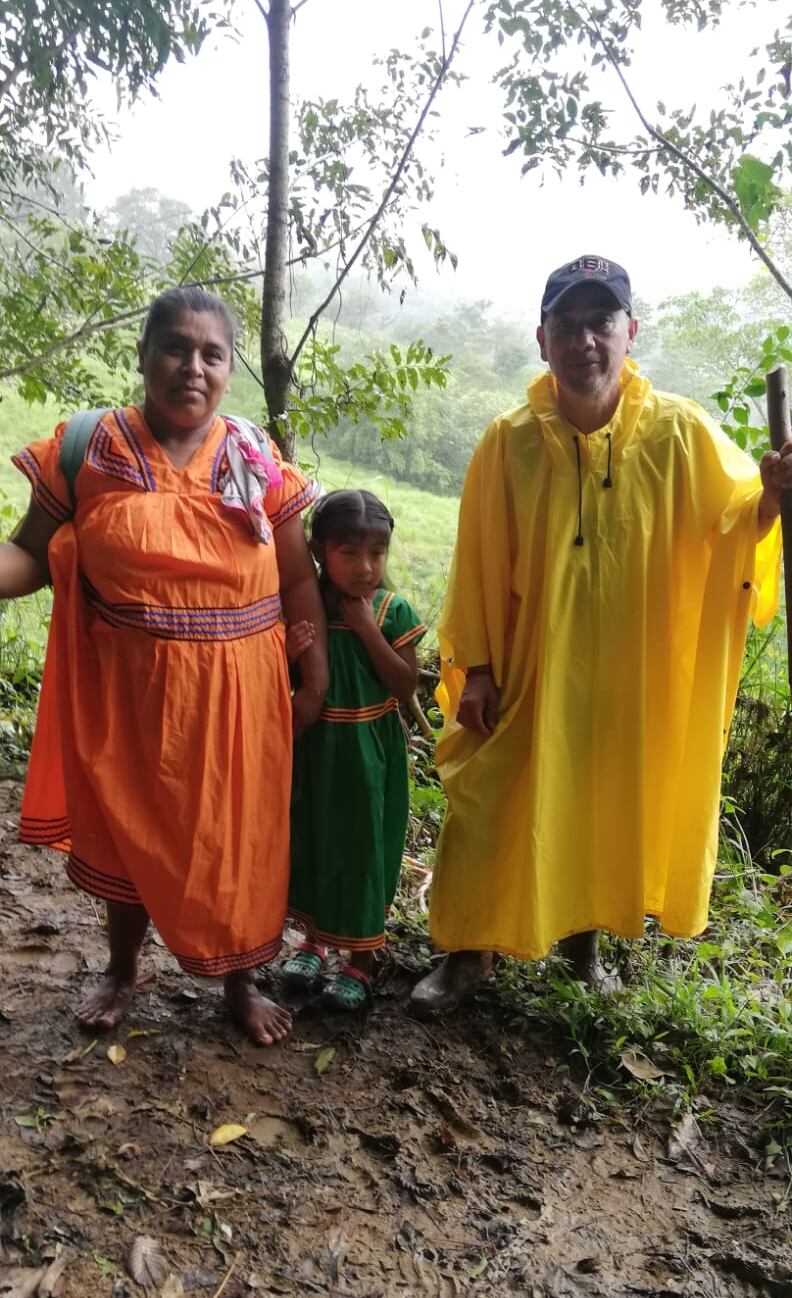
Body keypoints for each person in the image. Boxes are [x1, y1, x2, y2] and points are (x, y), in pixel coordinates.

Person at [411, 253, 790, 1013]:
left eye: (602, 323)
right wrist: (477, 667)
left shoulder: (681, 434)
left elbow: (735, 520)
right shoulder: (508, 440)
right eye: (569, 325)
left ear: (631, 332)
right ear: (543, 338)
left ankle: (582, 950)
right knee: (485, 799)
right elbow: (479, 557)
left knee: (601, 805)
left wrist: (773, 498)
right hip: (531, 666)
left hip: (630, 672)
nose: (586, 340)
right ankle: (466, 951)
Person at [3, 286, 328, 1044]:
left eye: (212, 354)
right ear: (143, 355)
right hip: (129, 693)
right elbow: (27, 555)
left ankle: (238, 985)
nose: (193, 367)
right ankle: (122, 969)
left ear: (229, 368)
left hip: (241, 696)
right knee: (130, 828)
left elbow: (298, 575)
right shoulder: (90, 448)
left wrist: (312, 673)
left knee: (236, 837)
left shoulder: (252, 455)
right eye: (175, 348)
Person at [281, 489, 426, 1009]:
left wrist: (368, 630)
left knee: (363, 848)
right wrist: (288, 654)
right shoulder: (307, 604)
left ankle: (361, 961)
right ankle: (315, 943)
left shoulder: (391, 608)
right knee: (317, 838)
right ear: (319, 550)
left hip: (369, 750)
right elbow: (289, 680)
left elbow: (405, 685)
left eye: (376, 554)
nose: (365, 567)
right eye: (349, 553)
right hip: (318, 748)